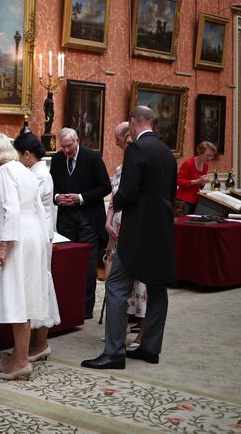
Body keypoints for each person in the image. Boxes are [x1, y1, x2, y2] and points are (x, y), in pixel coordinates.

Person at [82, 106, 177, 369]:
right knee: (157, 288)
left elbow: (129, 191)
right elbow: (171, 193)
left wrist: (114, 204)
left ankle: (113, 352)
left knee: (115, 285)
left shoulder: (135, 149)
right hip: (162, 230)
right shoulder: (166, 152)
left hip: (136, 231)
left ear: (133, 122)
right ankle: (150, 348)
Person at [0, 134, 51, 381]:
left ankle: (21, 360)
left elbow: (10, 209)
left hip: (16, 240)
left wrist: (2, 249)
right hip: (32, 237)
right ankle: (17, 357)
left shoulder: (4, 172)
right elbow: (40, 209)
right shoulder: (24, 169)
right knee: (25, 296)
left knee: (15, 298)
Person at [49, 127, 112, 319]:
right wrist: (58, 197)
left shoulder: (92, 158)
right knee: (67, 262)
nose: (67, 150)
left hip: (89, 219)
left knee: (87, 264)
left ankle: (84, 310)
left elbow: (105, 187)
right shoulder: (58, 159)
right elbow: (51, 187)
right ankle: (67, 306)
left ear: (77, 141)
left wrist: (81, 197)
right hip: (66, 219)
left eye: (69, 145)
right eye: (63, 146)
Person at [13, 132, 60, 362]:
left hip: (40, 235)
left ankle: (40, 344)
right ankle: (35, 344)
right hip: (39, 233)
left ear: (27, 154)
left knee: (39, 286)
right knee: (36, 285)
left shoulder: (39, 174)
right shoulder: (36, 171)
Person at [103, 122, 147, 346]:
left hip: (135, 232)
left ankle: (141, 335)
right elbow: (113, 199)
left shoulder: (140, 166)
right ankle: (117, 332)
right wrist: (108, 223)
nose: (117, 143)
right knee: (115, 284)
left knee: (140, 284)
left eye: (119, 139)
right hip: (116, 233)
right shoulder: (121, 170)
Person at [176, 141, 216, 215]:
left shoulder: (205, 166)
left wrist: (203, 182)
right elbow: (179, 181)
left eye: (212, 156)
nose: (210, 158)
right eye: (208, 155)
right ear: (200, 153)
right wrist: (198, 181)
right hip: (183, 200)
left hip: (196, 199)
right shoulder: (188, 163)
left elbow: (200, 186)